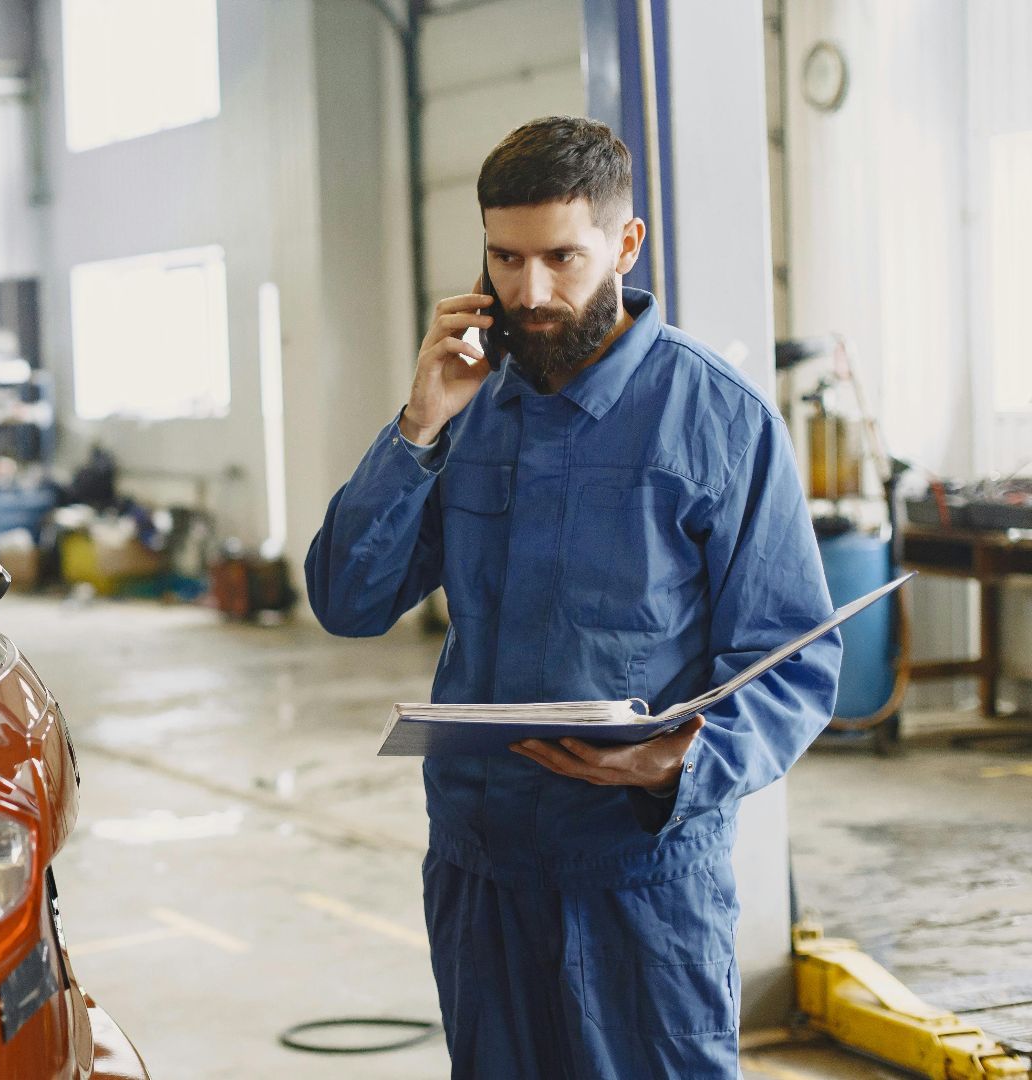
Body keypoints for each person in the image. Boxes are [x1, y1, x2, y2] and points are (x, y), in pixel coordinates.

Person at [304, 116, 842, 1078]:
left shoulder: (717, 421)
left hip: (636, 881)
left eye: (562, 256)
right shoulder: (470, 406)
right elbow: (348, 598)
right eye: (505, 259)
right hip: (480, 868)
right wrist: (418, 426)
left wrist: (681, 760)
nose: (531, 292)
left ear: (625, 245)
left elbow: (794, 659)